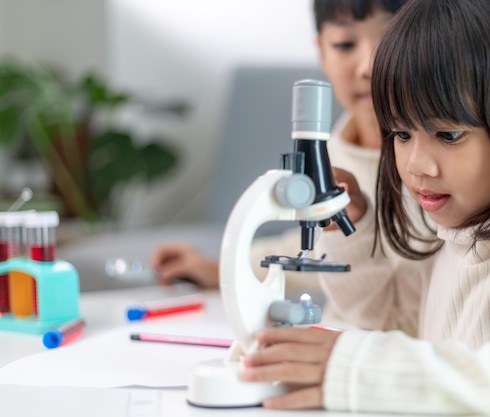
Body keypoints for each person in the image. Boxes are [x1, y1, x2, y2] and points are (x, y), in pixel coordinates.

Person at [238, 0, 490, 414]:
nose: (415, 165)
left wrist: (367, 370)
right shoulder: (457, 232)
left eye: (448, 134)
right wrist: (359, 229)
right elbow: (389, 319)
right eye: (401, 133)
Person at [150, 0, 409, 297]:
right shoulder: (332, 153)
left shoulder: (434, 162)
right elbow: (316, 248)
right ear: (321, 51)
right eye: (345, 44)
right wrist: (221, 266)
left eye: (390, 41)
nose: (369, 66)